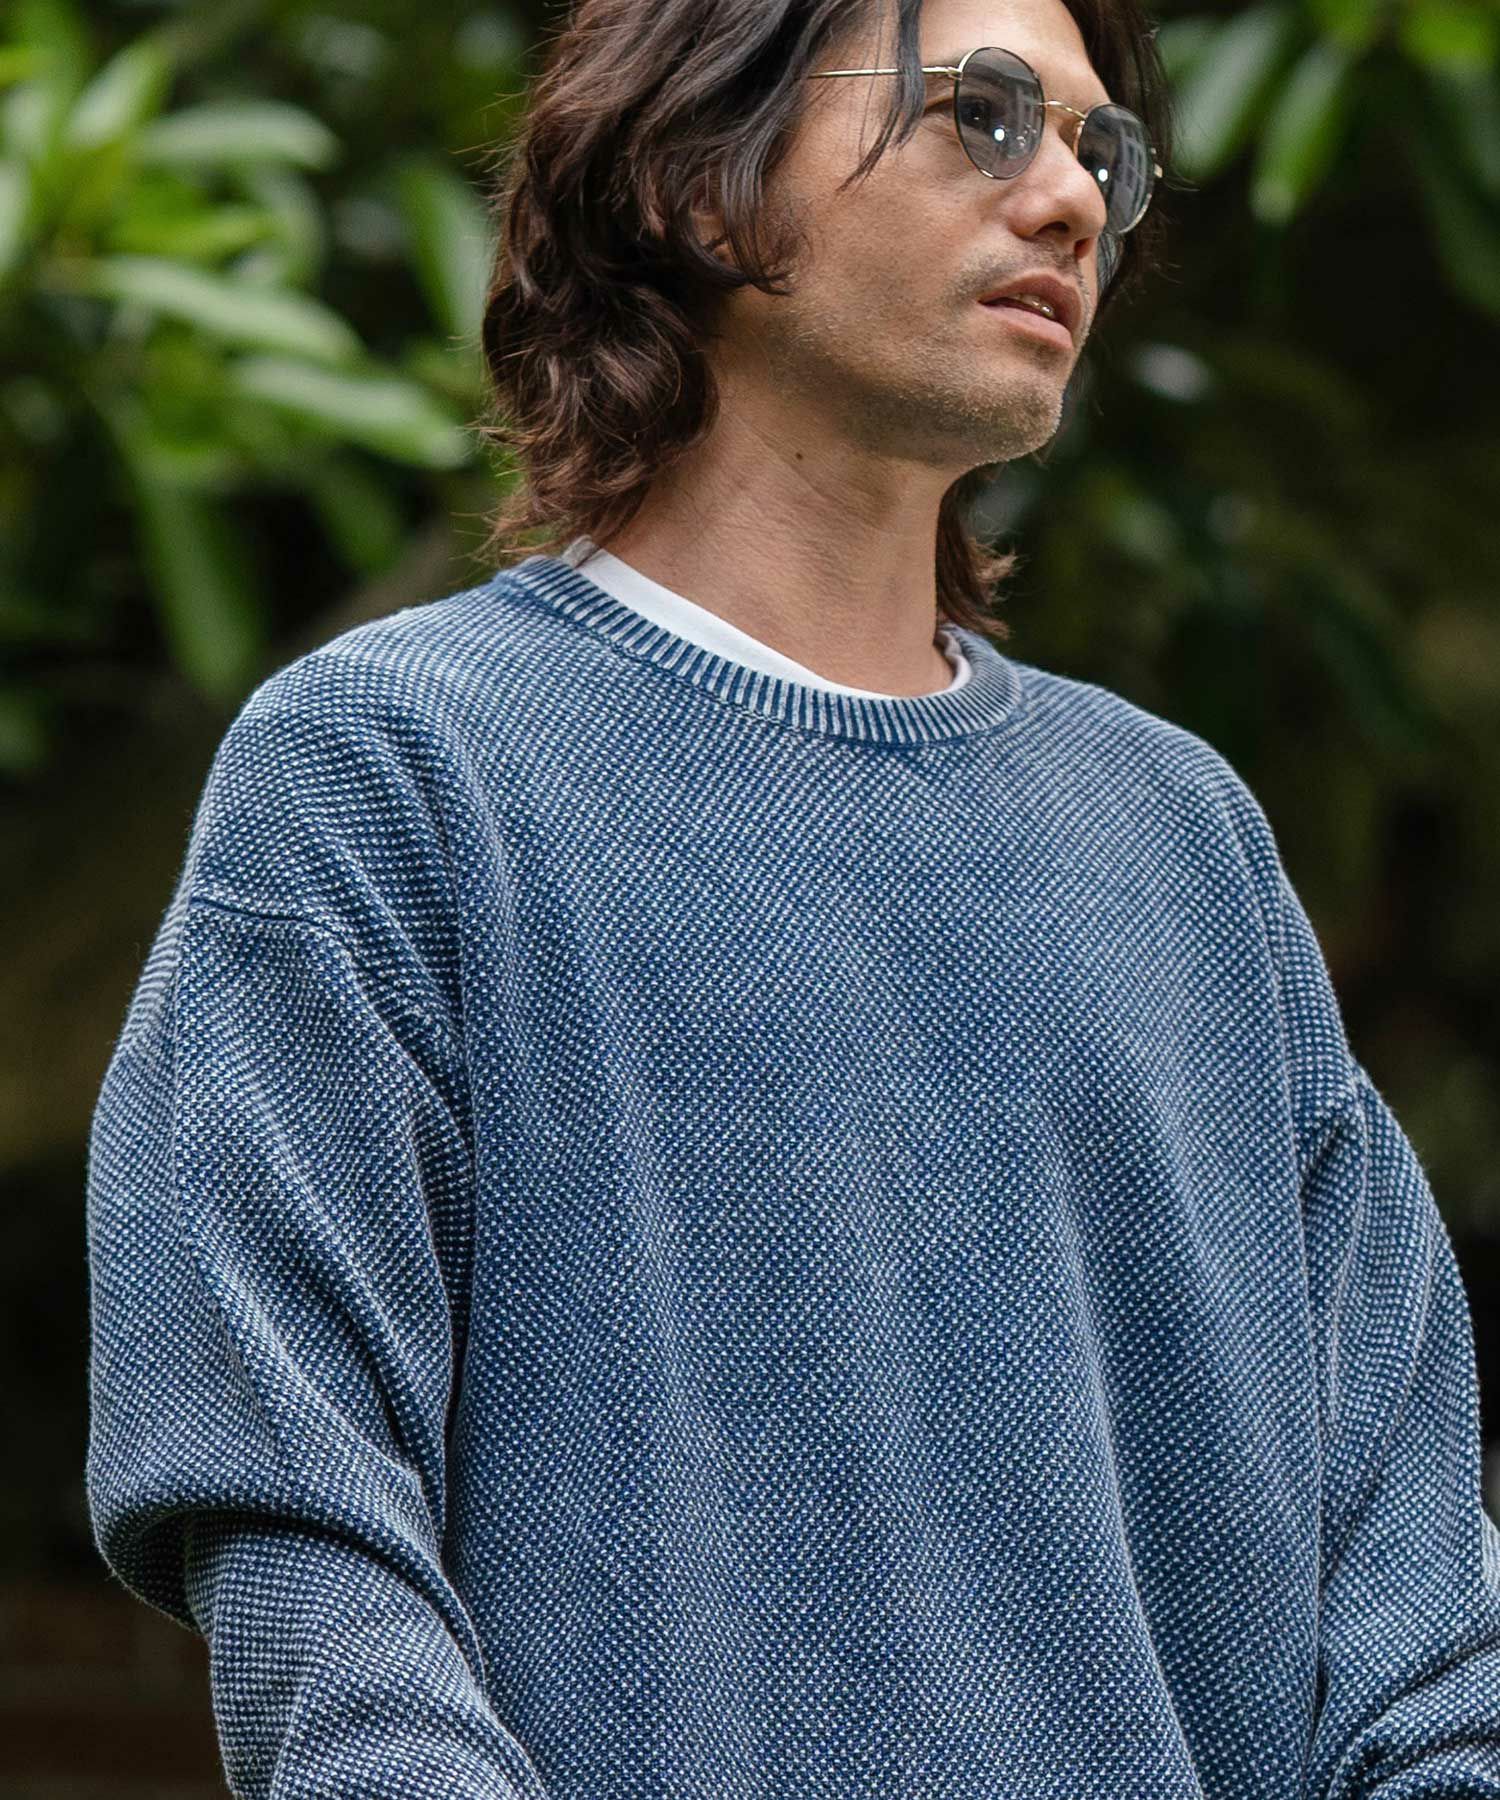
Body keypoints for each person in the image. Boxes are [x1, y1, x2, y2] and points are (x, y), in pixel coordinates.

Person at [84, 0, 1500, 1795]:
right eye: (986, 113)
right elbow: (299, 1521)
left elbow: (1415, 1589)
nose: (1072, 196)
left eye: (1100, 150)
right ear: (696, 178)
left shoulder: (1183, 841)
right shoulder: (390, 772)